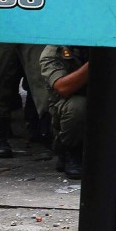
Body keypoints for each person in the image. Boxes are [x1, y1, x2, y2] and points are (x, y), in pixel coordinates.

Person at [39, 45, 90, 180]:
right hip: (70, 107)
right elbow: (62, 87)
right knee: (78, 107)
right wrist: (97, 62)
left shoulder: (115, 43)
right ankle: (71, 152)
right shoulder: (55, 49)